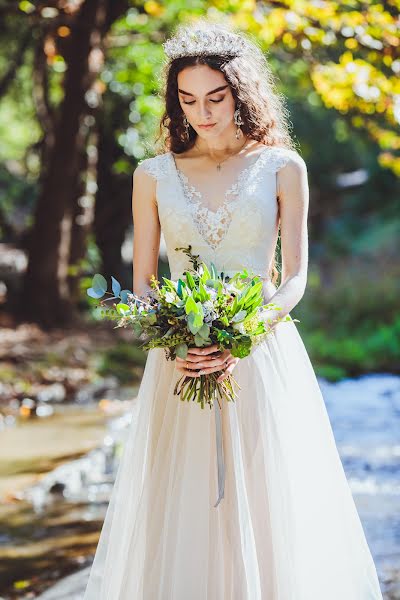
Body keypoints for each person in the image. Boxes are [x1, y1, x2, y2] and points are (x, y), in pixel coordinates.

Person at [83, 19, 383, 600]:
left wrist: (246, 328)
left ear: (241, 93)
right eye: (188, 99)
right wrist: (176, 340)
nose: (203, 112)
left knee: (271, 495)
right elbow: (145, 281)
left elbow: (293, 277)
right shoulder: (153, 176)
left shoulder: (282, 166)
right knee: (185, 499)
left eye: (215, 98)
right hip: (181, 359)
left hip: (262, 353)